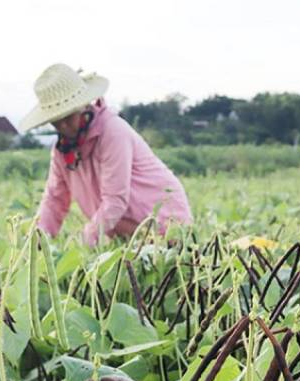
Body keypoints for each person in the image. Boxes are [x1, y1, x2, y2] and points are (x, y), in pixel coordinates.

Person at [19, 63, 193, 247]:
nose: (63, 127)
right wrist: (36, 244)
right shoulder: (62, 150)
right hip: (125, 232)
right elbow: (55, 199)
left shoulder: (112, 132)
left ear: (82, 107)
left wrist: (84, 242)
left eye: (68, 118)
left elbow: (115, 200)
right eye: (56, 122)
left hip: (163, 224)